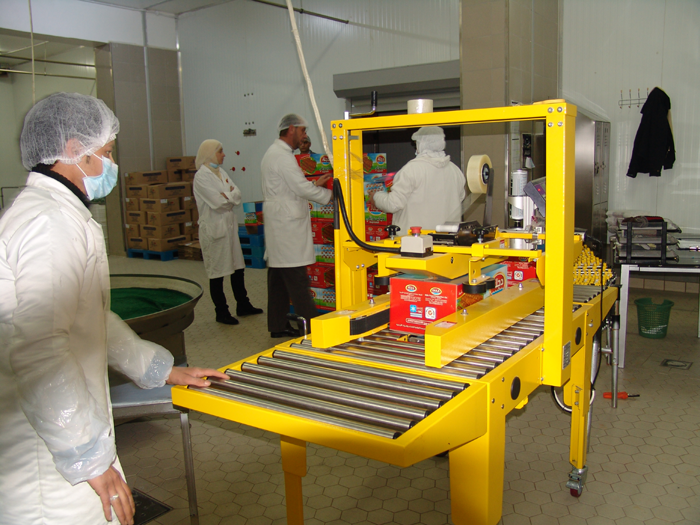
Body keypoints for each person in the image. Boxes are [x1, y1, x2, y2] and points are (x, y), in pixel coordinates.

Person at [0, 92, 229, 525]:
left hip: (65, 441)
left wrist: (162, 370)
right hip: (51, 464)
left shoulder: (61, 215)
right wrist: (88, 458)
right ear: (74, 149)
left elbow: (90, 321)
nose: (111, 164)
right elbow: (39, 349)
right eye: (106, 153)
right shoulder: (48, 223)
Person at [261, 114, 332, 338]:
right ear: (291, 129)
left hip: (280, 222)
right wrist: (329, 195)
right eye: (303, 131)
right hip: (286, 226)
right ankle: (314, 330)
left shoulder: (275, 153)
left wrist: (314, 184)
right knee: (297, 278)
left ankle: (277, 326)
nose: (305, 136)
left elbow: (290, 186)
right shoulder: (282, 157)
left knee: (278, 278)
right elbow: (300, 188)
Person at [193, 139, 263, 325]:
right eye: (220, 151)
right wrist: (228, 196)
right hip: (214, 230)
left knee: (238, 268)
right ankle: (221, 311)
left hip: (229, 229)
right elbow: (218, 203)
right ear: (209, 153)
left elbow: (237, 194)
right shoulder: (201, 177)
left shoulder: (221, 172)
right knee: (217, 273)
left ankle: (243, 304)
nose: (224, 154)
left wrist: (228, 196)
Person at [369, 126, 466, 235]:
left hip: (415, 240)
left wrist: (376, 197)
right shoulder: (455, 171)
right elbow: (460, 199)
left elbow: (393, 204)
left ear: (421, 144)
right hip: (446, 239)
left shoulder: (411, 169)